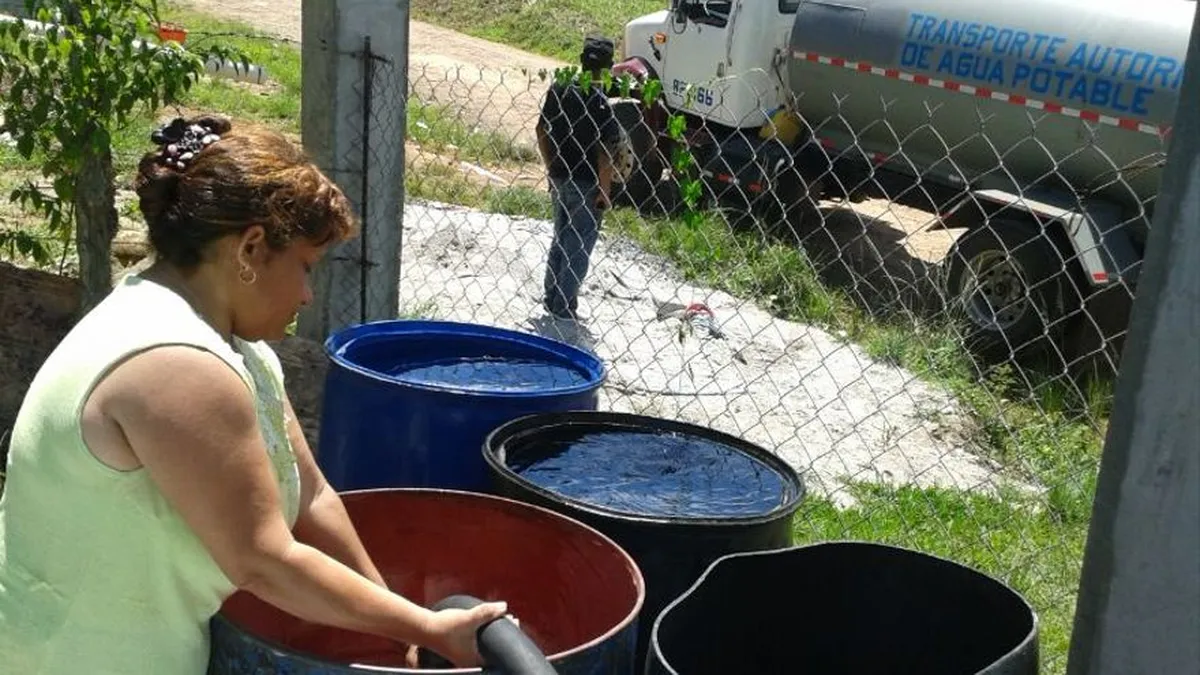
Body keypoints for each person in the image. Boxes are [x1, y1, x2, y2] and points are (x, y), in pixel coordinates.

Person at [0, 115, 508, 674]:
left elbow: (313, 498)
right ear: (251, 248)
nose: (309, 295)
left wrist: (402, 632)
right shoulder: (174, 365)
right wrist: (426, 626)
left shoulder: (232, 343)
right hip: (86, 656)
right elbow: (263, 560)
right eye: (306, 266)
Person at [536, 35, 624, 320]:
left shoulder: (559, 88)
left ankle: (551, 295)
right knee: (579, 243)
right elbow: (606, 149)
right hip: (587, 181)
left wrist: (551, 166)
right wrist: (605, 190)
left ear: (581, 61)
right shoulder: (599, 101)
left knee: (560, 236)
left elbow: (541, 130)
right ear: (609, 67)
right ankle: (565, 305)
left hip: (560, 175)